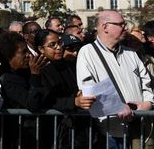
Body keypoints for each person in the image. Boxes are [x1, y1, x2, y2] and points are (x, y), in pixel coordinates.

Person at [77, 10, 154, 148]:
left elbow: (146, 82)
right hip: (111, 131)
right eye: (120, 24)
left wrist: (148, 103)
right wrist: (116, 106)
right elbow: (89, 88)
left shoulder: (131, 53)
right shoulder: (87, 52)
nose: (125, 27)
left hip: (140, 125)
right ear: (105, 27)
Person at [36, 30, 94, 148]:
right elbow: (47, 100)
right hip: (54, 130)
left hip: (76, 128)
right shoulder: (38, 69)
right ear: (41, 49)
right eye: (52, 45)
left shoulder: (68, 65)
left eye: (60, 43)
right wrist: (74, 102)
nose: (58, 48)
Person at [0, 31, 48, 148]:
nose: (28, 55)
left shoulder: (24, 71)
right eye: (23, 52)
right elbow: (32, 104)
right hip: (16, 138)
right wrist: (35, 76)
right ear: (9, 56)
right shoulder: (5, 78)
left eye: (27, 51)